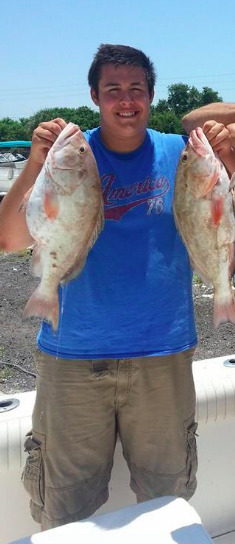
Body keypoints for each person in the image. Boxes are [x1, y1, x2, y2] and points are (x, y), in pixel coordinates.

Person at [0, 44, 234, 531]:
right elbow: (10, 239)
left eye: (136, 90)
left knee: (168, 501)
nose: (125, 101)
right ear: (94, 96)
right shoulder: (70, 152)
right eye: (113, 90)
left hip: (163, 355)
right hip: (72, 358)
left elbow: (217, 221)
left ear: (151, 96)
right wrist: (34, 164)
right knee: (63, 507)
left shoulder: (181, 153)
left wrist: (219, 147)